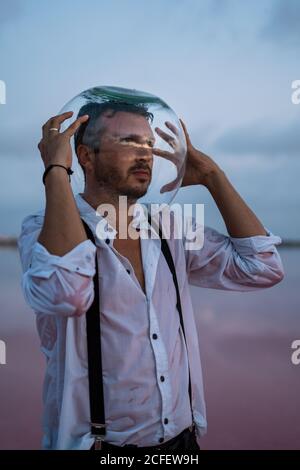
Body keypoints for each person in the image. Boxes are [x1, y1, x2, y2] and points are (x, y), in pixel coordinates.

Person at [18, 101, 284, 452]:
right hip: (97, 448)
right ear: (85, 156)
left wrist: (210, 176)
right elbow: (65, 294)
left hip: (183, 444)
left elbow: (263, 267)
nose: (145, 156)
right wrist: (55, 170)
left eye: (148, 145)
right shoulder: (41, 229)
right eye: (129, 142)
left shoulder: (167, 225)